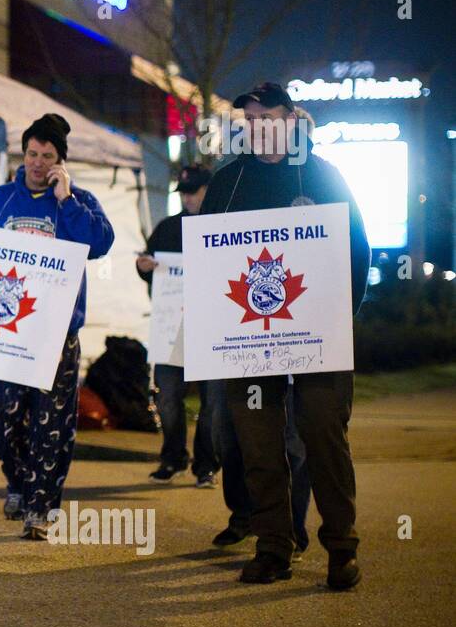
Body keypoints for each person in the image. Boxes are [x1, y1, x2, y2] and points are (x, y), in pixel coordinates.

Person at [199, 82, 370, 588]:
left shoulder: (323, 175)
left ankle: (342, 548)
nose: (259, 127)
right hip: (249, 339)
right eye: (249, 120)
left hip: (319, 335)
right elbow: (208, 258)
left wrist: (342, 317)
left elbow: (356, 249)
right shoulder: (228, 183)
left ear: (291, 119)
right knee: (258, 444)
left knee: (323, 435)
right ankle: (273, 546)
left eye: (268, 116)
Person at [0, 114, 115, 539]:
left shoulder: (77, 201)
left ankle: (41, 508)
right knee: (4, 419)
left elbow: (100, 244)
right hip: (5, 330)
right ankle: (17, 482)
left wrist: (67, 199)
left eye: (47, 156)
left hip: (58, 333)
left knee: (51, 424)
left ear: (60, 161)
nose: (37, 162)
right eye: (32, 153)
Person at [137, 166, 219, 488]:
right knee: (168, 396)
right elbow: (148, 264)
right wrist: (143, 267)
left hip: (213, 328)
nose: (187, 197)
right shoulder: (168, 228)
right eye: (184, 192)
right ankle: (173, 457)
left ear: (208, 190)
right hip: (172, 325)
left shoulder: (221, 227)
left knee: (212, 402)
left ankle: (206, 464)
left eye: (193, 191)